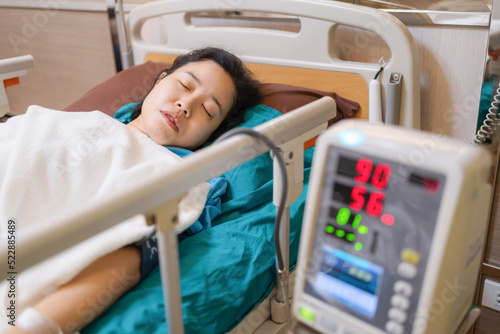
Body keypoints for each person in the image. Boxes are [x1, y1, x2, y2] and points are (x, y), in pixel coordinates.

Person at [3, 47, 261, 334]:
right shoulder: (65, 124)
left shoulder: (179, 179)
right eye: (185, 85)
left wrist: (34, 327)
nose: (185, 104)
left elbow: (132, 252)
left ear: (211, 135)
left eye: (208, 110)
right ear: (160, 79)